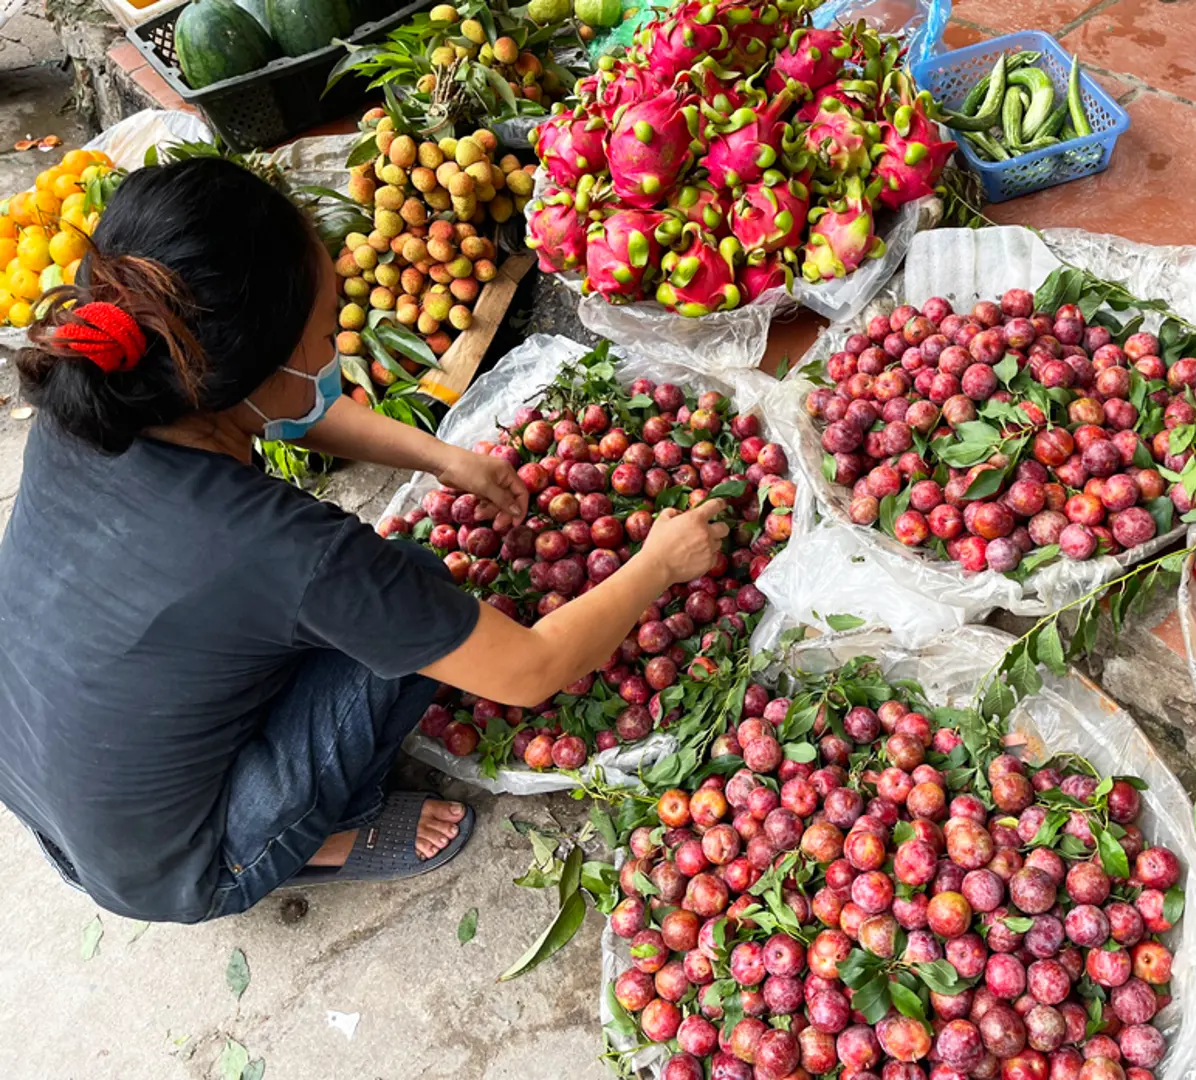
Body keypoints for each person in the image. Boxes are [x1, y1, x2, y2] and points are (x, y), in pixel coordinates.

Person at [0, 157, 729, 924]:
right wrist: (656, 565)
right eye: (322, 334)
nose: (331, 355)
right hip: (172, 870)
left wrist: (442, 457)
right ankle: (317, 841)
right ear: (250, 365)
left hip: (50, 797)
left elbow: (268, 400)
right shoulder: (291, 551)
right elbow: (529, 670)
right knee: (414, 584)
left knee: (366, 607)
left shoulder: (99, 394)